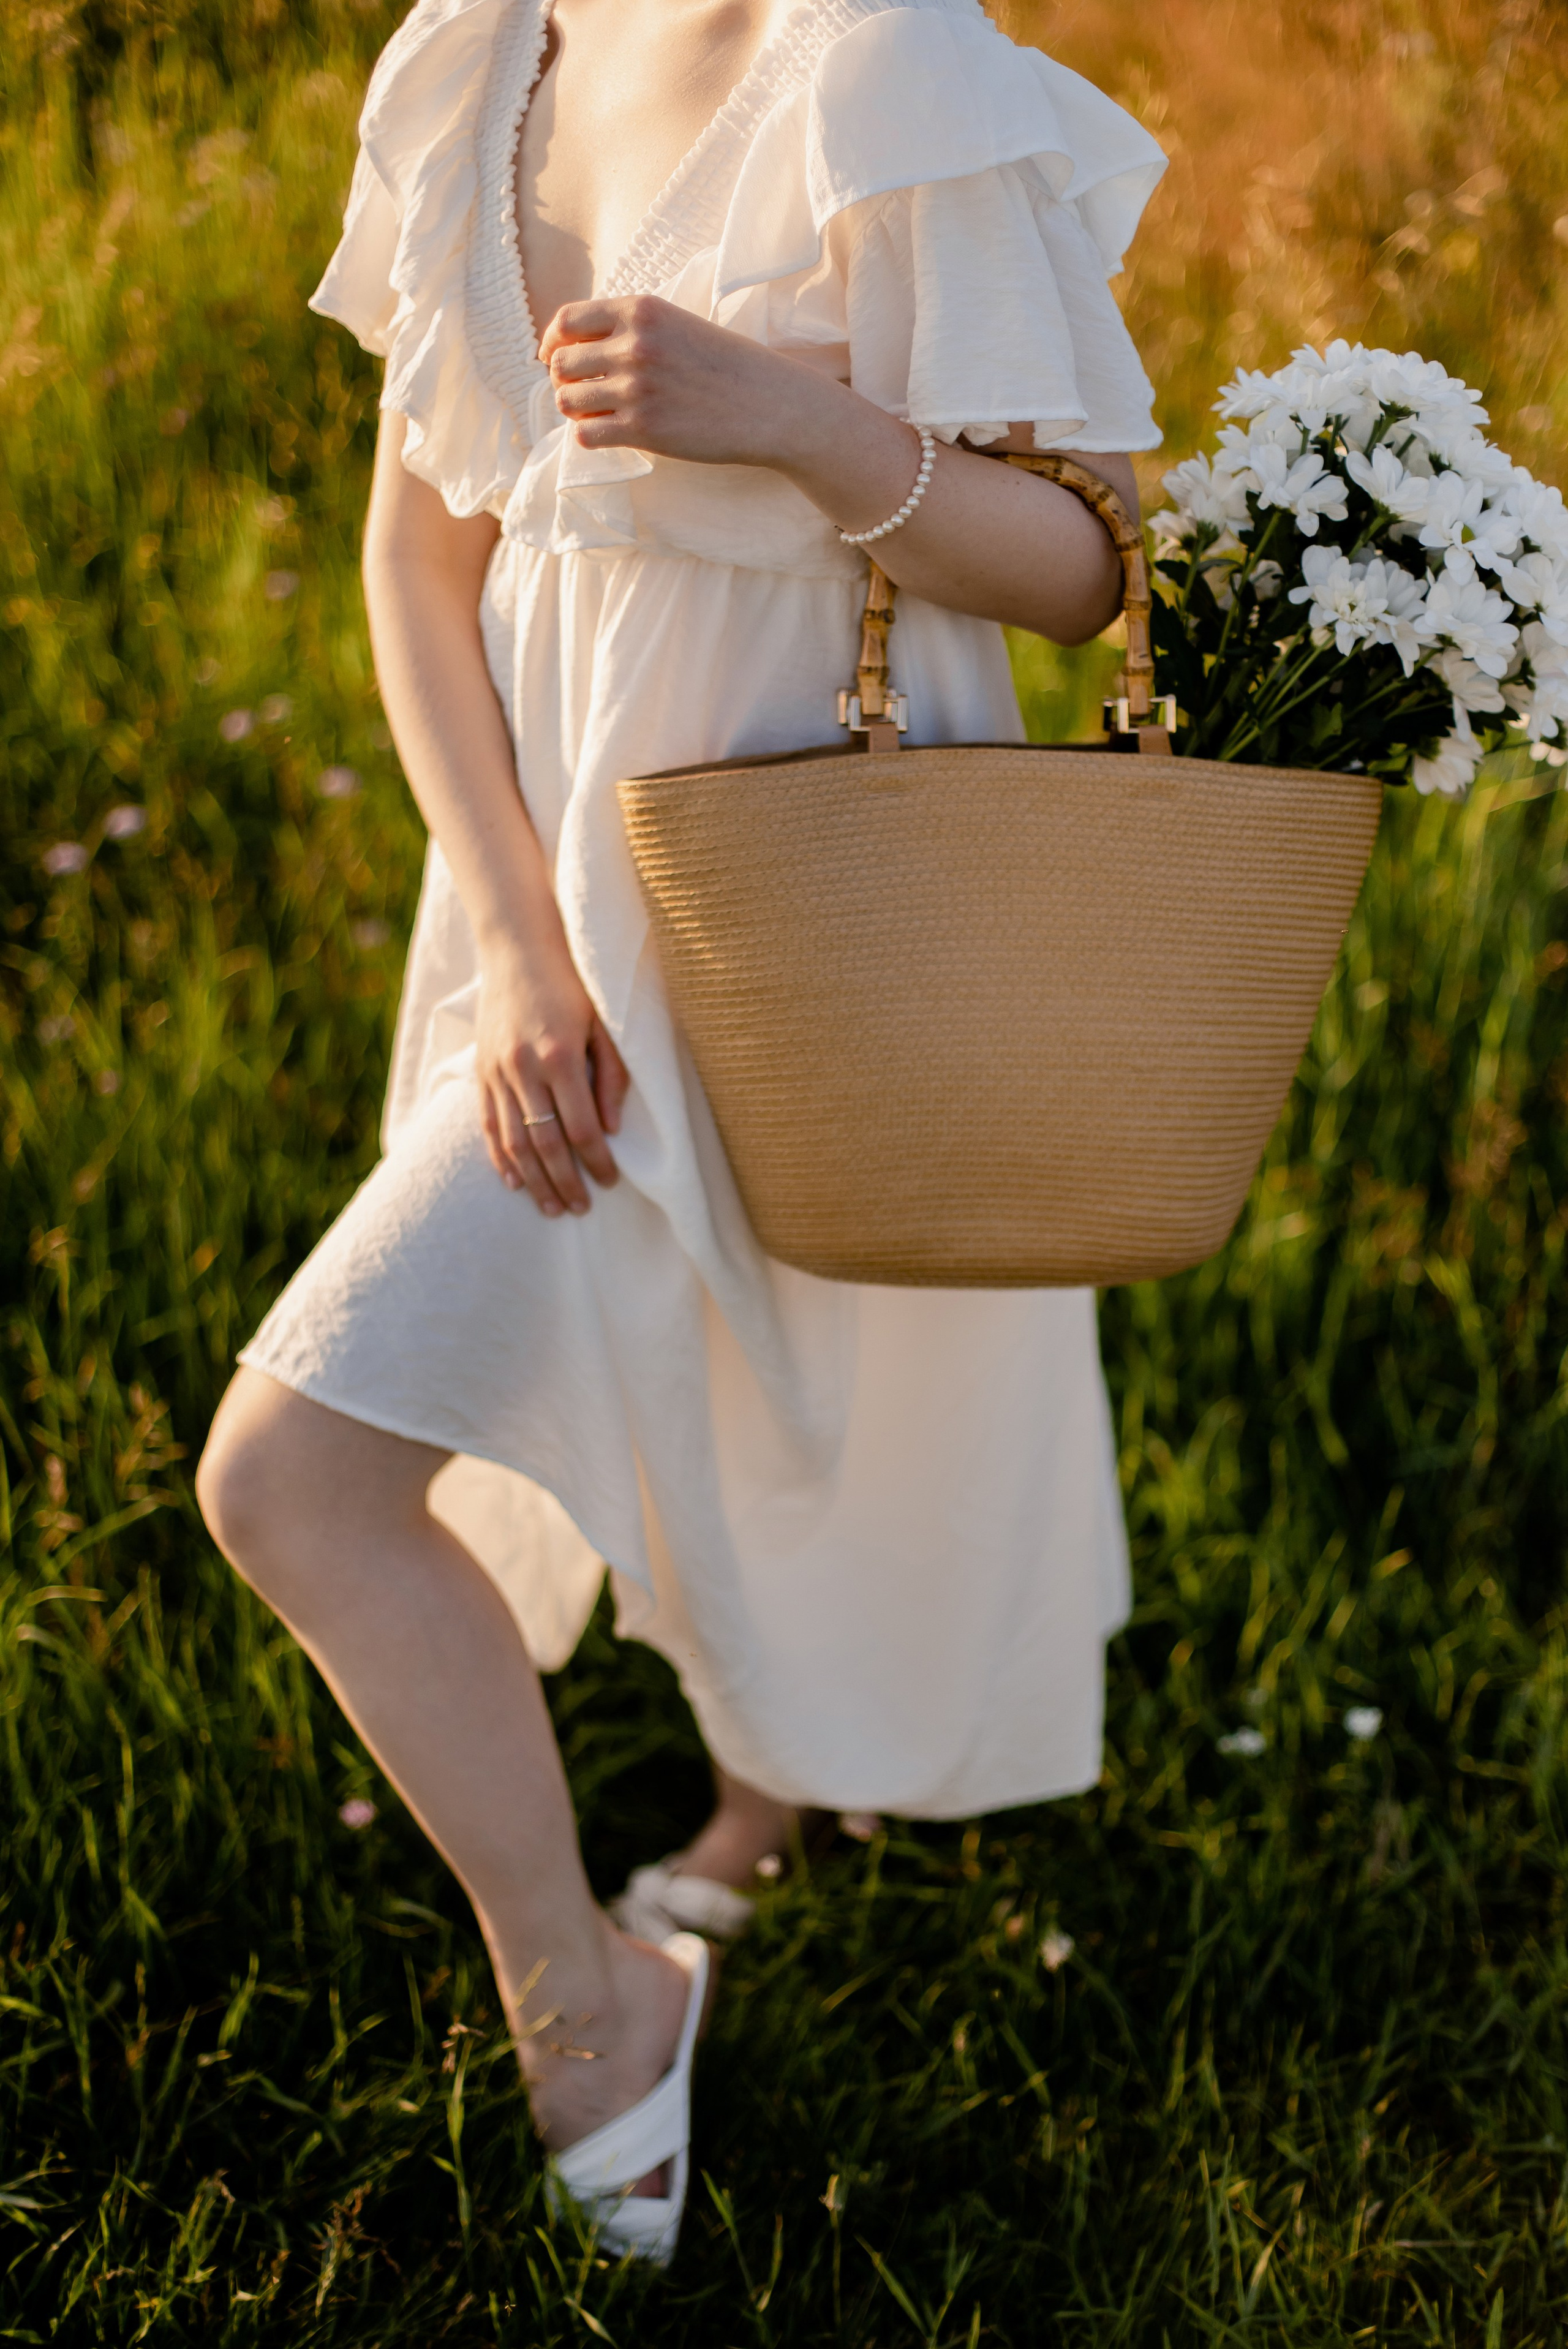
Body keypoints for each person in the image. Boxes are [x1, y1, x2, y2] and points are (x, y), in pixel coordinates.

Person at [195, 0, 1167, 2264]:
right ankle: (594, 1994)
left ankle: (753, 1806)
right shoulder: (480, 62)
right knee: (297, 1469)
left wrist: (807, 429)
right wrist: (523, 957)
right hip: (562, 919)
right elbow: (420, 572)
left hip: (829, 876)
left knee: (818, 1364)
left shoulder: (885, 54)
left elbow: (1089, 564)